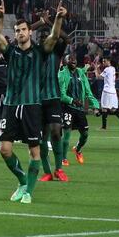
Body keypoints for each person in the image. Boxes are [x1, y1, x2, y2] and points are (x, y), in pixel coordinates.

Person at [0, 0, 66, 204]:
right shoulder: (11, 52)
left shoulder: (39, 52)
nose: (20, 33)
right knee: (4, 149)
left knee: (34, 151)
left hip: (32, 106)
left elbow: (53, 37)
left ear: (30, 32)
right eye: (17, 30)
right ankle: (23, 181)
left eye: (23, 30)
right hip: (10, 106)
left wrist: (58, 19)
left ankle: (28, 193)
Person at [33, 13, 69, 182]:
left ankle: (59, 169)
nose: (42, 38)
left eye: (45, 35)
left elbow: (67, 39)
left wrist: (53, 23)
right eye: (39, 36)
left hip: (53, 98)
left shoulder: (56, 51)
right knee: (41, 137)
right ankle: (47, 172)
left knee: (56, 133)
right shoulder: (32, 52)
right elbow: (18, 36)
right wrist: (39, 23)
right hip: (37, 100)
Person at [59, 53, 100, 166]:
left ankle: (77, 149)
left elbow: (88, 91)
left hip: (79, 109)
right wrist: (72, 100)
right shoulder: (62, 74)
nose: (73, 61)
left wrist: (96, 106)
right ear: (66, 61)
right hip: (67, 107)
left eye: (75, 59)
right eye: (70, 59)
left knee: (85, 134)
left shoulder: (81, 73)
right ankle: (63, 158)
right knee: (66, 134)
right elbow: (61, 95)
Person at [94, 56, 119, 131]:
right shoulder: (112, 68)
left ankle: (103, 127)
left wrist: (95, 68)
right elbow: (103, 76)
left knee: (104, 109)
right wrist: (99, 69)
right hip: (113, 92)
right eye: (102, 61)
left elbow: (98, 77)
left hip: (107, 91)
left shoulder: (107, 69)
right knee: (113, 109)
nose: (103, 62)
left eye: (104, 61)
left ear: (108, 61)